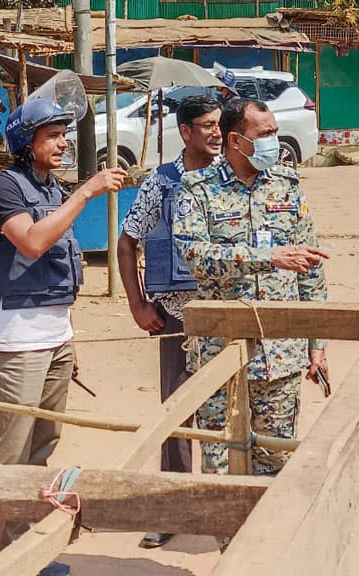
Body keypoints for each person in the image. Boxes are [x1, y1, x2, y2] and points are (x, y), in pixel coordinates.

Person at [0, 96, 127, 574]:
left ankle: (20, 556)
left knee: (40, 451)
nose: (63, 142)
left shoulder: (52, 189)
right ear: (25, 141)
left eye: (64, 133)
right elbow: (32, 242)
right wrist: (87, 191)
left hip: (54, 337)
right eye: (52, 135)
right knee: (8, 459)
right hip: (14, 342)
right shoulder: (2, 187)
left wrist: (66, 340)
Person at [173, 97, 329, 479]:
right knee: (221, 462)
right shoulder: (197, 189)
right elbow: (195, 255)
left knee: (276, 461)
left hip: (281, 356)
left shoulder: (287, 185)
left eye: (274, 132)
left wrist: (318, 345)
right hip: (220, 358)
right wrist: (267, 256)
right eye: (265, 134)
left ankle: (269, 539)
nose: (273, 140)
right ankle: (231, 541)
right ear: (235, 140)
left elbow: (310, 271)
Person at [118, 95, 222, 549]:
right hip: (176, 318)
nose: (217, 133)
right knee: (177, 416)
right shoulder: (161, 184)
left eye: (220, 124)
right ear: (185, 132)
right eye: (207, 126)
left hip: (226, 318)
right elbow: (127, 243)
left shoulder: (233, 178)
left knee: (227, 415)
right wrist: (138, 305)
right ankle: (173, 509)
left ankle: (225, 508)